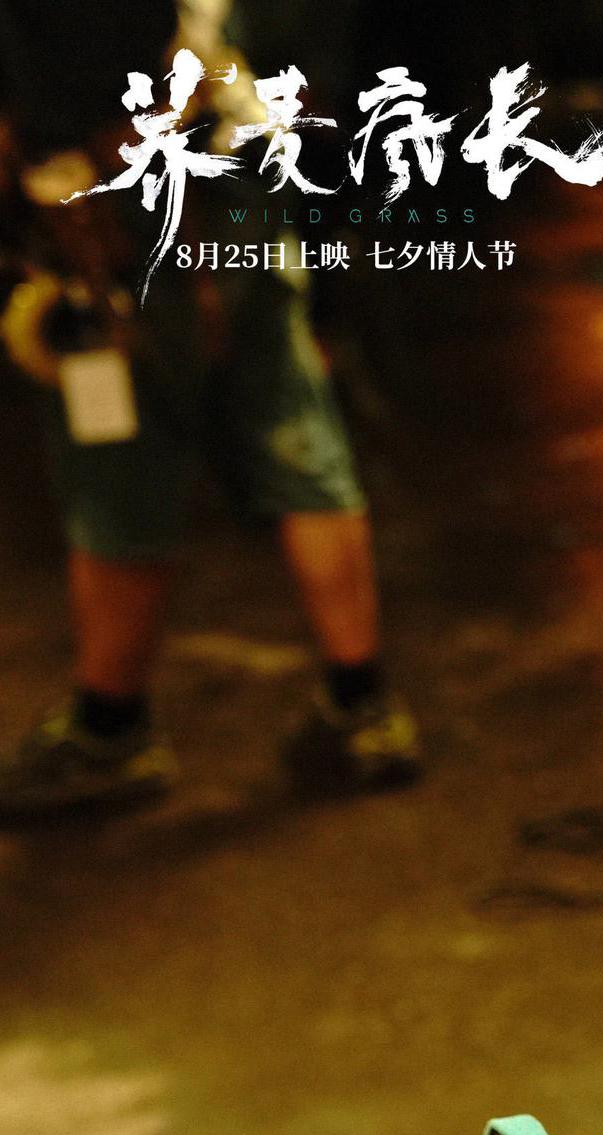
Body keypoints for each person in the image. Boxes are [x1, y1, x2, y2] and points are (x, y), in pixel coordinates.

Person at [0, 0, 423, 817]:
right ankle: (363, 703)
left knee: (119, 451)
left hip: (115, 191)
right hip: (239, 160)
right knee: (290, 418)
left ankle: (110, 728)